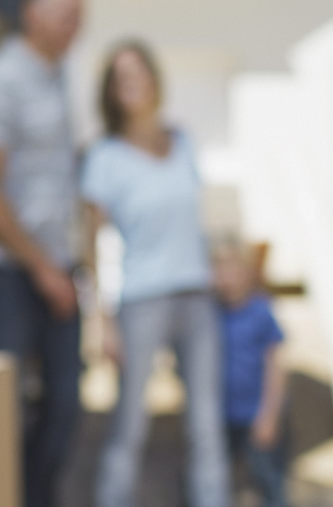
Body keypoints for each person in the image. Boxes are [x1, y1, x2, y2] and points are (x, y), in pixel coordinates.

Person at [80, 41, 230, 507]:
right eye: (121, 76)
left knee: (207, 425)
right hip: (142, 300)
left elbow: (198, 223)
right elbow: (89, 245)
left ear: (154, 78)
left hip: (197, 294)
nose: (133, 82)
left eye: (139, 71)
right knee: (130, 425)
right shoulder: (104, 157)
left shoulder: (183, 141)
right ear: (110, 91)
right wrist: (100, 319)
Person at [0, 0, 83, 505]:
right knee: (6, 407)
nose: (76, 13)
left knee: (65, 402)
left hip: (60, 265)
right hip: (9, 271)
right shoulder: (2, 80)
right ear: (30, 11)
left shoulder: (61, 76)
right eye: (63, 5)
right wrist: (41, 267)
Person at [214, 242, 288, 507]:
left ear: (248, 273)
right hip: (223, 416)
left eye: (233, 271)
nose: (227, 279)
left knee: (268, 479)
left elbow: (276, 367)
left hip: (257, 415)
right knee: (223, 479)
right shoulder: (212, 314)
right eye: (220, 271)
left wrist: (269, 415)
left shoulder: (261, 312)